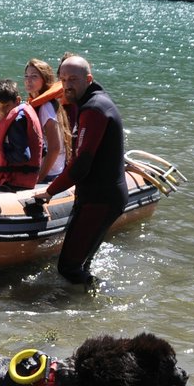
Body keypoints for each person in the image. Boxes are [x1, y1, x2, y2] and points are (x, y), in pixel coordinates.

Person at [30, 55, 127, 284]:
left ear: (88, 79)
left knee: (68, 268)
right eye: (63, 79)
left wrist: (49, 191)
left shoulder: (94, 109)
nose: (67, 85)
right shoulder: (95, 102)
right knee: (81, 262)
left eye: (73, 79)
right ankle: (90, 303)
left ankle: (95, 304)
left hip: (100, 199)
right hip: (100, 196)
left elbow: (82, 164)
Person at [23, 57, 69, 182]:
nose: (28, 80)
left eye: (34, 76)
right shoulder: (35, 104)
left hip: (50, 174)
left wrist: (38, 179)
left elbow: (55, 147)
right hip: (46, 170)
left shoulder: (45, 107)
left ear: (45, 80)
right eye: (26, 76)